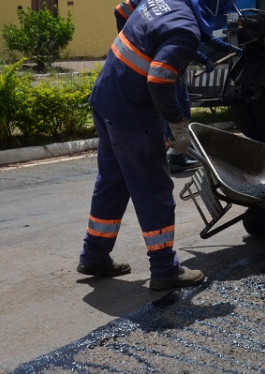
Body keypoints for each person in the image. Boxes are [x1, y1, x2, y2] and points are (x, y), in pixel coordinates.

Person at [76, 0, 231, 290]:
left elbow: (122, 10)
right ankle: (164, 269)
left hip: (107, 96)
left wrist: (152, 47)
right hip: (133, 113)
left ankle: (94, 255)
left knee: (114, 180)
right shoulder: (185, 29)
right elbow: (159, 79)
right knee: (153, 188)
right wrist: (176, 122)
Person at [115, 0, 241, 173]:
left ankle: (176, 154)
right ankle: (174, 156)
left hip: (166, 72)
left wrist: (230, 48)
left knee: (180, 108)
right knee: (176, 110)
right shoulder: (181, 20)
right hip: (165, 73)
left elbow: (205, 38)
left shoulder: (181, 16)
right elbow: (183, 42)